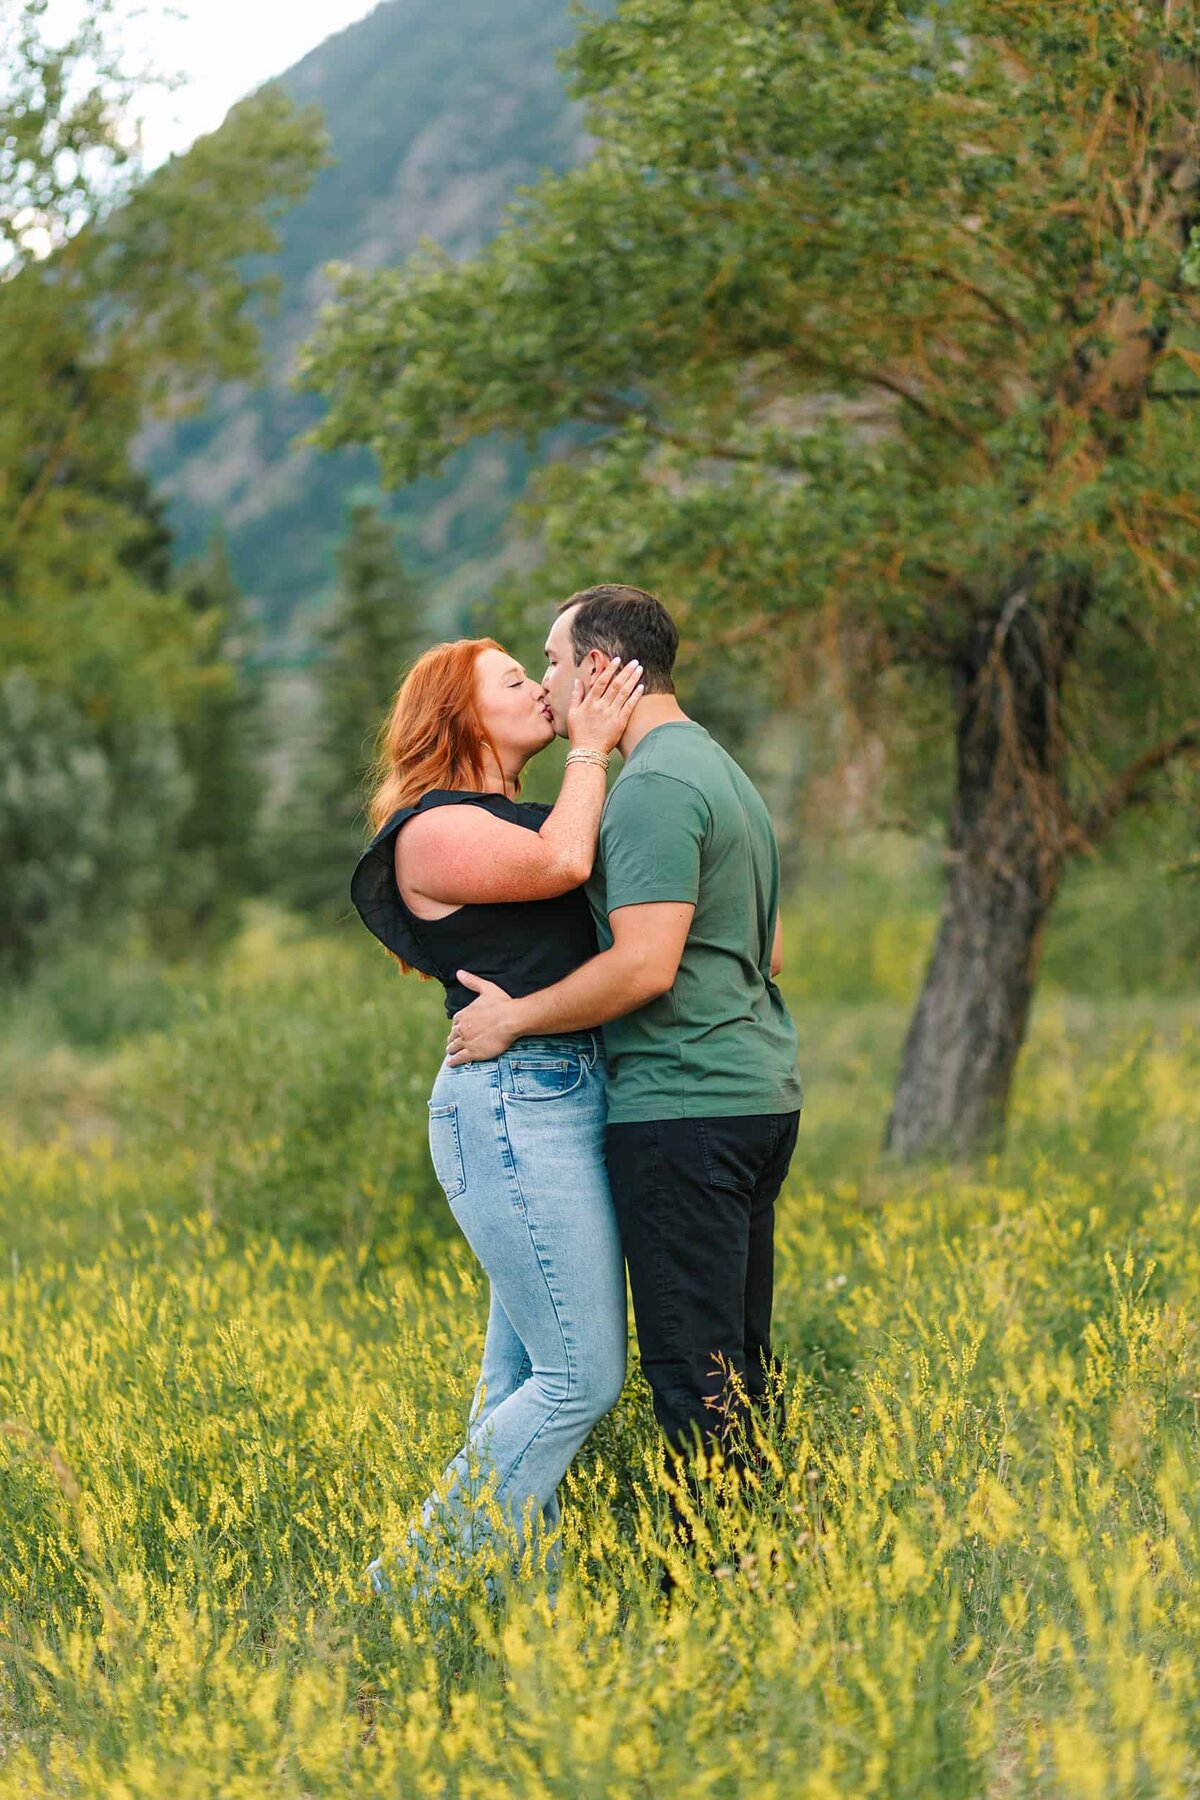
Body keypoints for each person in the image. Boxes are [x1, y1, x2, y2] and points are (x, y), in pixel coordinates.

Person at [446, 586, 803, 1498]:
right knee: (736, 1369)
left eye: (556, 664)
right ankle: (762, 1573)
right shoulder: (719, 769)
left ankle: (712, 1595)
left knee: (694, 1377)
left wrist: (515, 1016)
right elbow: (764, 948)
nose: (551, 688)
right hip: (757, 1094)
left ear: (602, 666)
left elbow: (644, 967)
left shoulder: (649, 789)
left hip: (682, 1109)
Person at [349, 634, 644, 1600]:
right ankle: (397, 1597)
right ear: (460, 717)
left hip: (557, 1095)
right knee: (580, 1380)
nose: (542, 689)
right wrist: (595, 747)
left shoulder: (504, 815)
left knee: (521, 1387)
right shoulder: (432, 828)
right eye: (515, 680)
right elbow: (564, 862)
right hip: (518, 1105)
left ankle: (523, 1620)